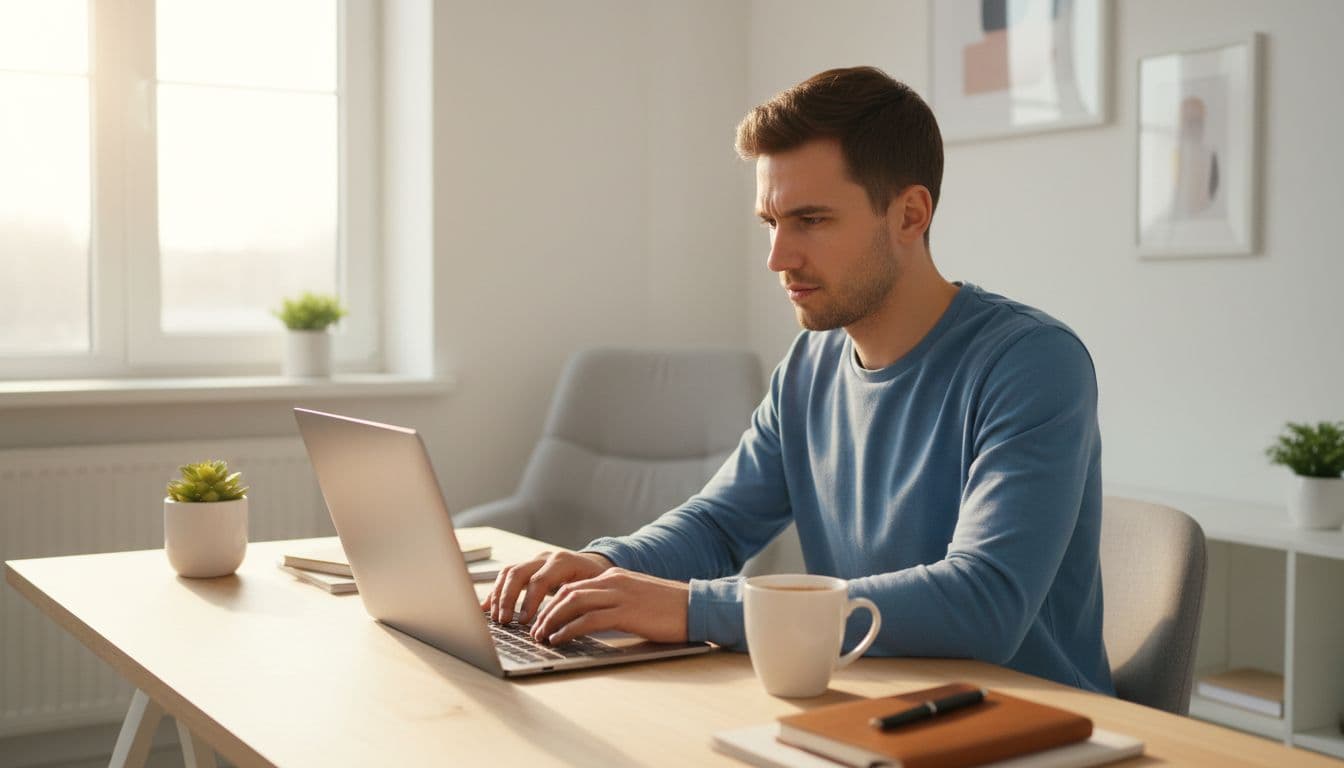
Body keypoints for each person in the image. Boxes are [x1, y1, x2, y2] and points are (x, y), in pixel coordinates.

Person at [483, 66, 1113, 694]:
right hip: (867, 702)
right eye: (771, 222)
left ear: (910, 215)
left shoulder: (1032, 363)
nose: (778, 258)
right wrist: (604, 565)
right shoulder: (810, 366)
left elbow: (984, 604)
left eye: (811, 220)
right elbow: (719, 525)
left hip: (1030, 727)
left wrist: (690, 609)